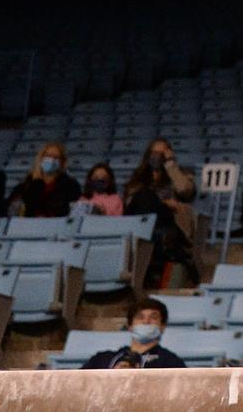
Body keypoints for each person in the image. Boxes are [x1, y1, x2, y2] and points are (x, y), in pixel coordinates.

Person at [125, 138, 198, 288]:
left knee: (146, 197)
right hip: (142, 223)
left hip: (170, 223)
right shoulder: (138, 179)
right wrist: (162, 202)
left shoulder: (181, 174)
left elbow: (185, 191)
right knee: (144, 196)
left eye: (162, 153)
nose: (157, 156)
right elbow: (129, 202)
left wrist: (170, 164)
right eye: (154, 153)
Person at [81, 298, 185, 369]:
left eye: (153, 317)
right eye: (140, 317)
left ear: (162, 327)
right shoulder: (101, 359)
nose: (146, 321)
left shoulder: (171, 362)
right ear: (130, 326)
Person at [8, 142, 78, 218]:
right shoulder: (25, 186)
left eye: (56, 157)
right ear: (41, 158)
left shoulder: (70, 186)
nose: (51, 160)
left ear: (62, 162)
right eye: (48, 156)